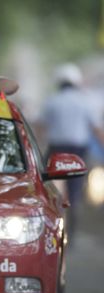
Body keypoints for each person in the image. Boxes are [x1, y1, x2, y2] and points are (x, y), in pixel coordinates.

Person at [36, 63, 104, 237]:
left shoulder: (52, 101)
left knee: (44, 185)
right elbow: (96, 130)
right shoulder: (85, 102)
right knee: (75, 190)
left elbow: (41, 128)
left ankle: (46, 222)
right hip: (78, 152)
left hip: (56, 150)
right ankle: (70, 231)